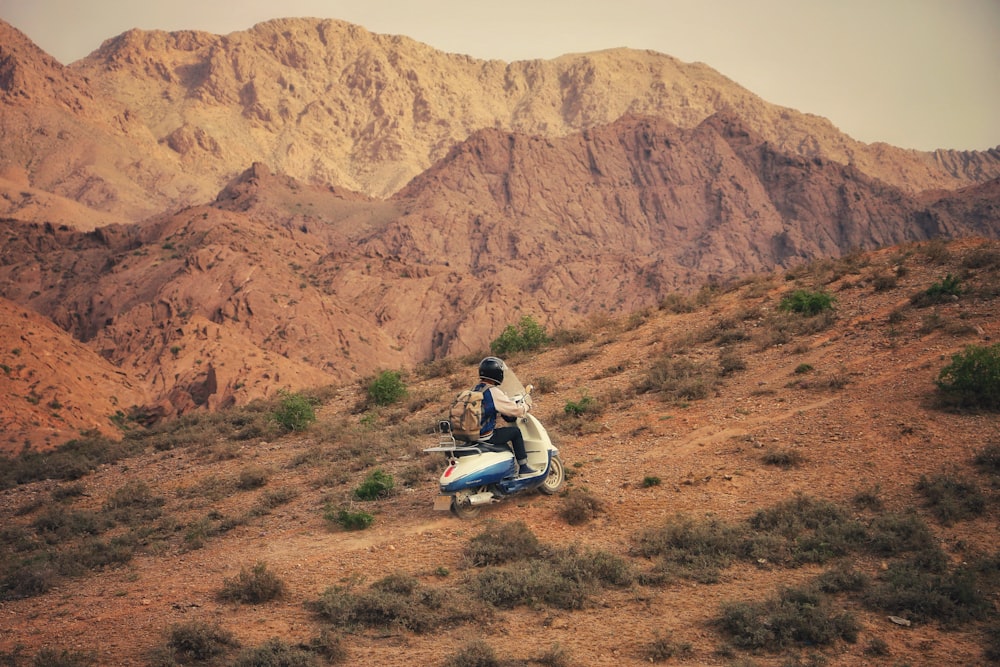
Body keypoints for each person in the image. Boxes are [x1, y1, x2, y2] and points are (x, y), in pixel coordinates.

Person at [475, 357, 537, 476]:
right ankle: (524, 467)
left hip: (472, 435)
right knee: (515, 432)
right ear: (497, 373)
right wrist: (527, 406)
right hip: (485, 436)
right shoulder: (493, 391)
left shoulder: (476, 389)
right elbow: (516, 411)